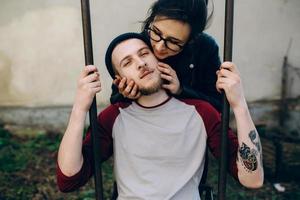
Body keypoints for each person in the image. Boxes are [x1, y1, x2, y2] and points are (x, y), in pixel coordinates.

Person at [56, 33, 264, 199]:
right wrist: (79, 109)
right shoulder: (114, 116)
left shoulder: (201, 111)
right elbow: (69, 179)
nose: (140, 63)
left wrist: (239, 104)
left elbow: (252, 179)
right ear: (120, 80)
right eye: (127, 62)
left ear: (158, 58)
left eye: (144, 53)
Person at [111, 0, 223, 111]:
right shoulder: (139, 44)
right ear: (152, 19)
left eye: (173, 42)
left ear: (190, 40)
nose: (159, 47)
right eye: (156, 32)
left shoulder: (205, 48)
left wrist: (182, 90)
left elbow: (219, 105)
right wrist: (125, 95)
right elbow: (114, 102)